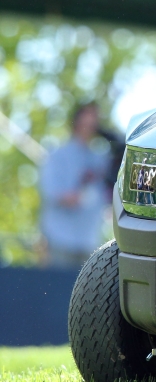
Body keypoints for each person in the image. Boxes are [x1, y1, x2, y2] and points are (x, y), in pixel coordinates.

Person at [38, 103, 112, 268]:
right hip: (60, 239)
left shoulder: (100, 158)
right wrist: (76, 195)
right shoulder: (58, 155)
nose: (92, 123)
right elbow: (51, 193)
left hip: (89, 241)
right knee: (57, 289)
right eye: (88, 117)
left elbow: (109, 195)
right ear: (77, 120)